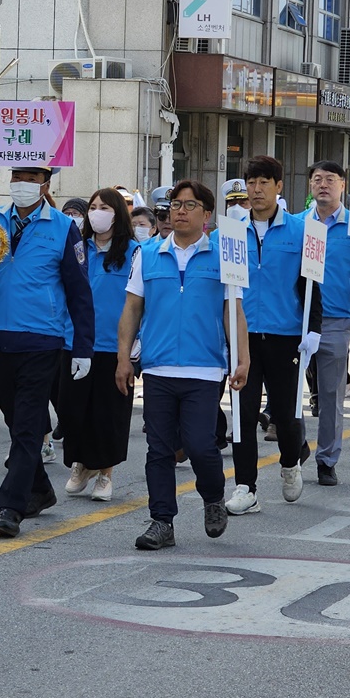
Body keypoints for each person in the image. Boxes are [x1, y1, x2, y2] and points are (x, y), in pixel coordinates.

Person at [116, 179, 249, 549]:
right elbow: (131, 308)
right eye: (175, 205)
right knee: (158, 449)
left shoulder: (225, 254)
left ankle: (212, 497)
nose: (180, 211)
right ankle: (162, 522)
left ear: (207, 215)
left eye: (190, 206)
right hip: (158, 369)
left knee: (201, 445)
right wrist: (123, 358)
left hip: (204, 368)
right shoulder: (147, 253)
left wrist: (243, 359)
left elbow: (232, 309)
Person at [0, 166, 94, 539]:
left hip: (42, 339)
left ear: (45, 184)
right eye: (17, 175)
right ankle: (40, 488)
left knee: (27, 427)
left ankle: (9, 507)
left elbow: (79, 291)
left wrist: (82, 347)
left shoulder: (62, 227)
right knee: (15, 423)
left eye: (31, 177)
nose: (21, 183)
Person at [228, 156, 321, 514]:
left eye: (264, 182)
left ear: (279, 187)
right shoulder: (231, 233)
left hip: (287, 337)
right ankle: (245, 487)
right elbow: (223, 289)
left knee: (285, 412)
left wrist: (313, 330)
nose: (256, 189)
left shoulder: (304, 231)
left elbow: (313, 287)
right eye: (251, 182)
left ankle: (289, 462)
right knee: (244, 413)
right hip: (244, 336)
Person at [61, 188, 139, 502]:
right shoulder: (78, 249)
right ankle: (81, 463)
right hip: (76, 341)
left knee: (109, 414)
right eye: (93, 206)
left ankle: (105, 473)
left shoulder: (135, 252)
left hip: (114, 346)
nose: (97, 212)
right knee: (72, 408)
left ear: (118, 213)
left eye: (104, 207)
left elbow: (140, 303)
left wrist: (134, 350)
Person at [305, 161, 350, 486]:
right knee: (287, 392)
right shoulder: (298, 224)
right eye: (317, 179)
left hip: (336, 319)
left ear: (343, 186)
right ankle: (292, 448)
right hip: (298, 320)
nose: (323, 185)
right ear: (310, 185)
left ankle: (326, 460)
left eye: (330, 180)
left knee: (331, 394)